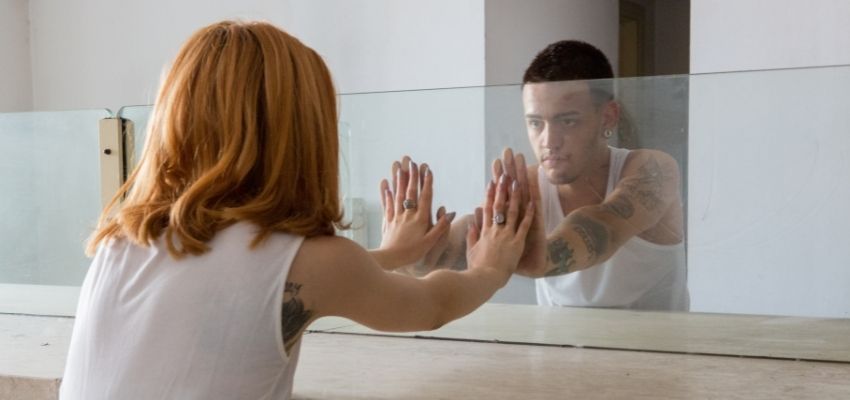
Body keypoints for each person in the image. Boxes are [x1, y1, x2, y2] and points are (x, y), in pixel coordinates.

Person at [60, 20, 533, 400]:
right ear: (303, 134)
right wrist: (491, 267)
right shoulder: (316, 263)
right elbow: (430, 307)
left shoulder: (122, 240)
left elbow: (251, 283)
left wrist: (388, 254)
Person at [420, 40, 688, 311]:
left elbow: (604, 225)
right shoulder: (529, 185)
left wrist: (542, 257)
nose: (549, 141)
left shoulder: (653, 170)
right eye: (536, 123)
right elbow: (473, 231)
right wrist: (421, 249)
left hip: (656, 352)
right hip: (559, 351)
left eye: (567, 121)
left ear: (608, 117)